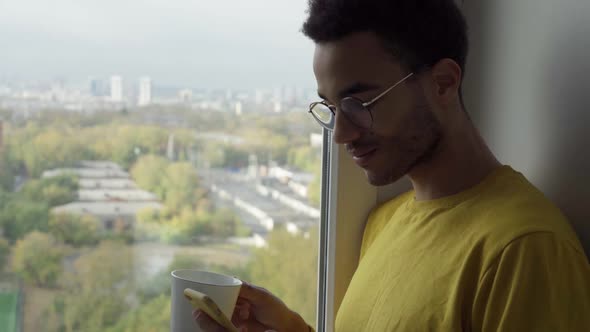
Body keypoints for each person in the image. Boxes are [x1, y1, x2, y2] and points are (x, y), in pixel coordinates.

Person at [195, 0, 590, 331]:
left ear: (443, 83)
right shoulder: (385, 220)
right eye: (331, 108)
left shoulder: (525, 251)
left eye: (359, 104)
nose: (341, 134)